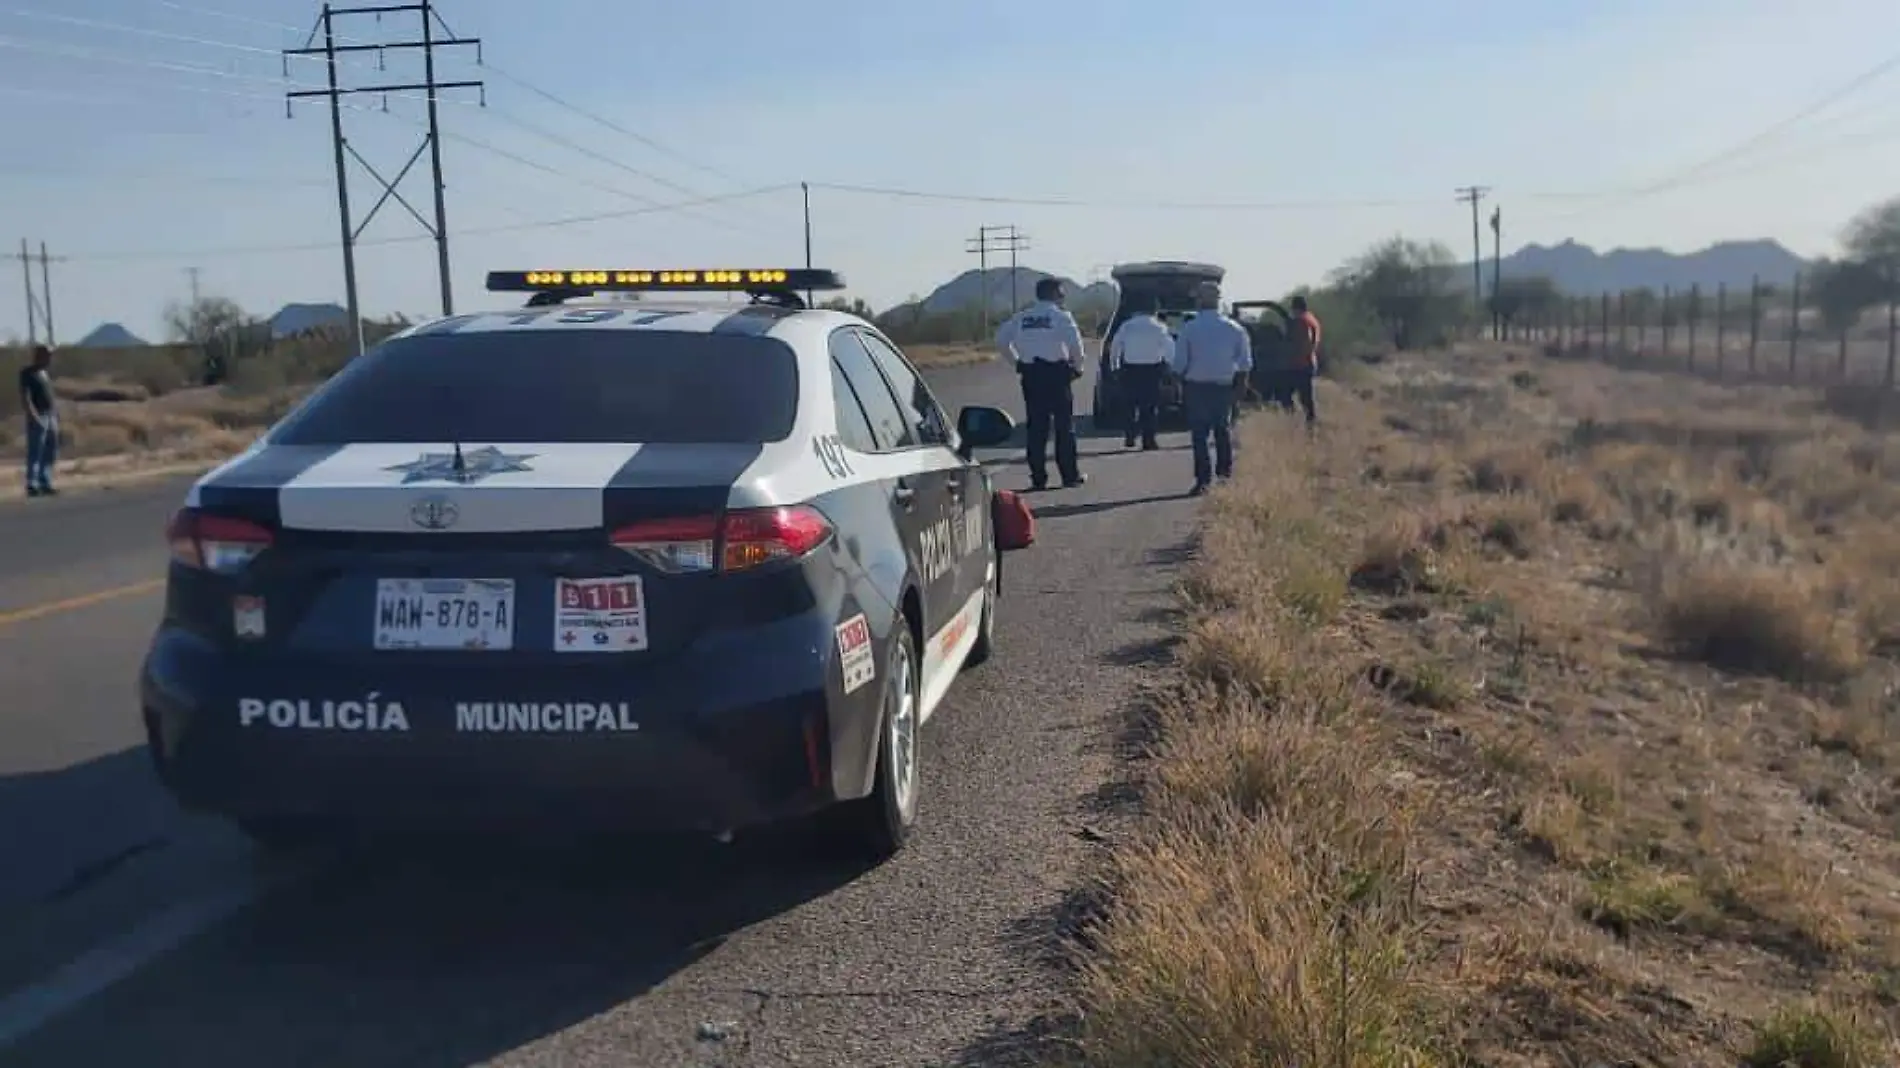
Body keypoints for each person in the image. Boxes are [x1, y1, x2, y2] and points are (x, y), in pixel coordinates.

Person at [995, 277, 1088, 489]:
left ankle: (1038, 478)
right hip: (1057, 375)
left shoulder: (1022, 317)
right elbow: (1076, 346)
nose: (1063, 296)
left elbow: (1001, 340)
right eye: (1061, 293)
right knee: (1064, 427)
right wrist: (1078, 367)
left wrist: (1016, 362)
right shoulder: (1061, 317)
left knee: (1036, 427)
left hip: (1032, 375)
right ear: (1054, 294)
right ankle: (1069, 476)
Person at [1170, 282, 1251, 496]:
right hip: (1224, 387)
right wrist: (1241, 387)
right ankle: (1225, 476)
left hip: (1196, 387)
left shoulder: (1189, 328)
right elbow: (1244, 363)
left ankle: (1203, 481)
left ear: (1200, 301)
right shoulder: (1235, 329)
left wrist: (1175, 385)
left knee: (1199, 435)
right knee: (1222, 431)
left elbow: (1180, 363)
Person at [1107, 303, 1172, 451]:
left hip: (1130, 369)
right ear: (1154, 311)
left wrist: (1115, 367)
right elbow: (1169, 348)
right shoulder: (1160, 327)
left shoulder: (1127, 326)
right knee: (1149, 407)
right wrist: (1168, 367)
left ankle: (1130, 433)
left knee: (1129, 404)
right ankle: (1148, 440)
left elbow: (1115, 347)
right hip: (1152, 370)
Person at [1275, 294, 1322, 426]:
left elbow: (1306, 341)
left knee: (1287, 395)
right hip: (1307, 363)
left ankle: (1298, 422)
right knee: (1306, 397)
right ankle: (1309, 424)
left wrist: (1294, 354)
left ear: (1296, 308)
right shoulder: (1311, 319)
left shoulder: (1301, 321)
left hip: (1299, 364)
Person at [18, 344, 58, 497]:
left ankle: (45, 481)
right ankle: (32, 484)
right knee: (36, 450)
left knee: (50, 450)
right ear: (40, 355)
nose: (50, 358)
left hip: (50, 415)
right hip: (38, 415)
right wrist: (33, 415)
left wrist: (54, 413)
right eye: (48, 355)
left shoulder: (44, 373)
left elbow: (49, 395)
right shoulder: (27, 373)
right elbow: (26, 396)